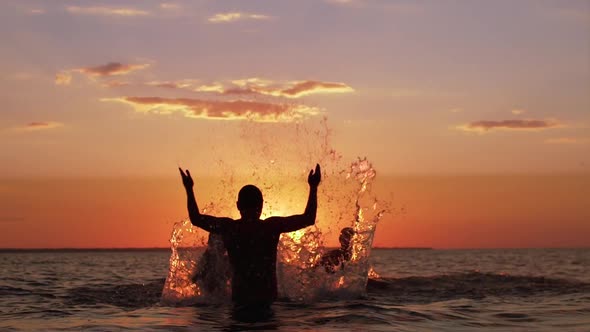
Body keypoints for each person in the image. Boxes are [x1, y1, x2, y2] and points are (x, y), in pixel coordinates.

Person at [179, 164, 321, 307]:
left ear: (238, 205)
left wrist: (189, 189)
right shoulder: (270, 227)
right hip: (268, 303)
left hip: (240, 302)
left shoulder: (230, 228)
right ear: (261, 205)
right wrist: (313, 187)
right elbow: (308, 218)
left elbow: (196, 218)